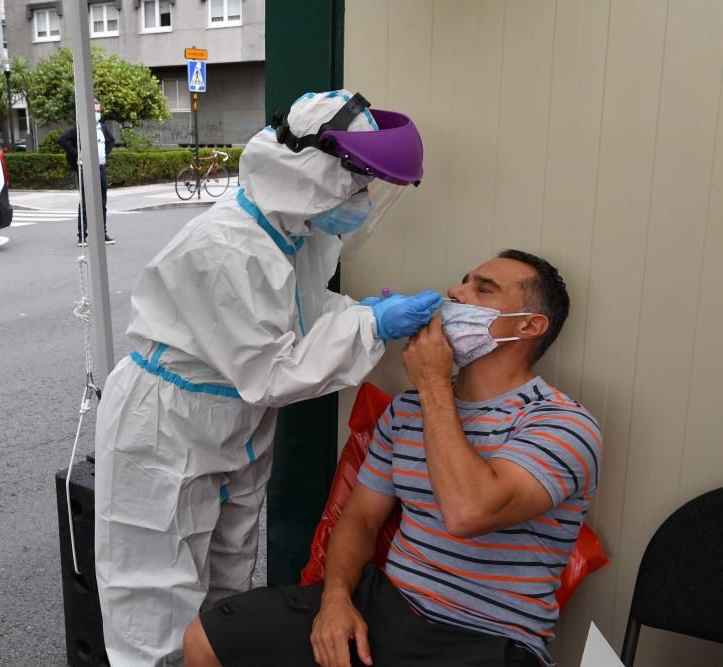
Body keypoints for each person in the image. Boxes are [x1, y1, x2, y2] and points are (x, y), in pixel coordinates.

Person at [94, 90, 444, 666]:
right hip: (166, 424)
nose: (359, 199)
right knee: (154, 597)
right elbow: (274, 369)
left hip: (232, 419)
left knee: (228, 581)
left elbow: (301, 314)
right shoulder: (227, 246)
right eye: (355, 183)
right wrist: (372, 326)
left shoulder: (293, 236)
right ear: (312, 170)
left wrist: (361, 314)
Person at [184, 250, 603, 667]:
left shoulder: (562, 424)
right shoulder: (407, 409)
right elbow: (361, 518)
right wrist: (335, 600)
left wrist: (434, 384)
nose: (456, 292)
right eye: (463, 280)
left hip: (484, 640)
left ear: (529, 326)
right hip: (382, 609)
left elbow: (467, 511)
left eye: (482, 289)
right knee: (205, 640)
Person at [56, 101, 115, 246]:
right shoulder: (81, 128)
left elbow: (111, 141)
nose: (97, 113)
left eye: (98, 111)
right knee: (85, 203)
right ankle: (82, 236)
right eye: (94, 111)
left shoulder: (102, 128)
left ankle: (102, 233)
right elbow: (62, 140)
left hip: (100, 168)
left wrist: (104, 153)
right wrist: (78, 154)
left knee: (102, 203)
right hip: (86, 169)